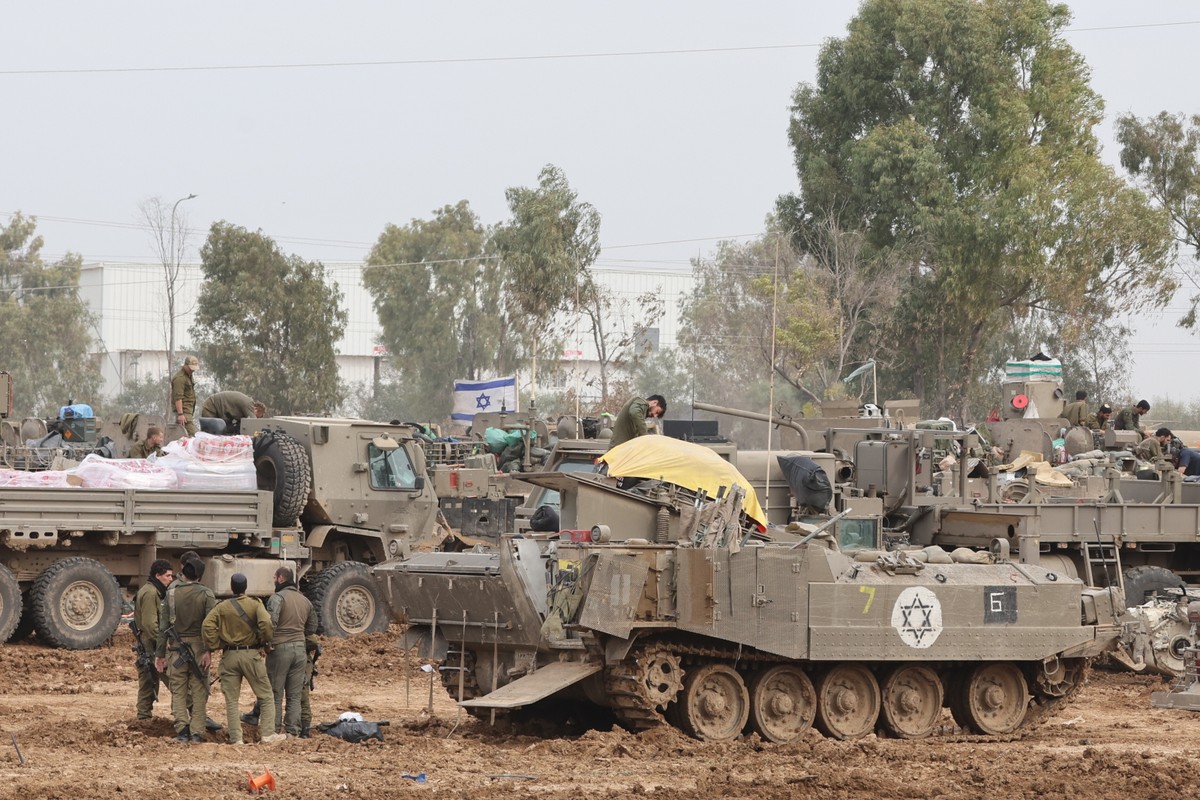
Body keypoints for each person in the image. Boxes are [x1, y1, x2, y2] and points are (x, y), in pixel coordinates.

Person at [201, 573, 284, 745]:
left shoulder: (222, 607)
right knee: (266, 695)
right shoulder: (255, 604)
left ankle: (236, 738)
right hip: (250, 654)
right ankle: (268, 734)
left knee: (231, 700)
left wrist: (216, 643)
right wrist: (264, 641)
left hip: (229, 656)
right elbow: (266, 624)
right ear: (246, 587)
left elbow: (207, 625)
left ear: (232, 587)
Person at [155, 556, 217, 743]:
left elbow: (163, 626)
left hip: (175, 648)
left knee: (179, 691)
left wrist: (159, 655)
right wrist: (208, 650)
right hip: (199, 647)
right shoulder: (207, 594)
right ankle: (197, 731)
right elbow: (210, 626)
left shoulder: (171, 592)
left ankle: (182, 729)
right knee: (199, 690)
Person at [265, 566, 318, 738]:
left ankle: (273, 729)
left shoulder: (277, 598)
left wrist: (266, 643)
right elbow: (312, 628)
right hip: (300, 650)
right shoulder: (305, 600)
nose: (273, 580)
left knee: (275, 692)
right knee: (295, 695)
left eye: (274, 577)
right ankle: (293, 732)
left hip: (280, 650)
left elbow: (270, 624)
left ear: (280, 578)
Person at [134, 559, 173, 720]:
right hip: (152, 644)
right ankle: (187, 714)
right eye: (168, 576)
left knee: (148, 680)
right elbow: (151, 625)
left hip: (148, 643)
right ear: (158, 575)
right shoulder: (150, 593)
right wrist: (164, 645)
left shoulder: (152, 590)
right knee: (173, 679)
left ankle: (143, 717)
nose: (171, 579)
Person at [199, 391, 266, 435]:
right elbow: (254, 423)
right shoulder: (249, 404)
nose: (256, 417)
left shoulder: (245, 406)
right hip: (211, 407)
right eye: (258, 416)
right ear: (256, 410)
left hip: (217, 411)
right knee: (211, 435)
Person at [171, 356, 200, 436]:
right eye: (190, 368)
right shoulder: (180, 379)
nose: (192, 370)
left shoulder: (189, 376)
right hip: (184, 414)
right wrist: (180, 414)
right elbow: (178, 398)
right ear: (185, 366)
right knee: (192, 436)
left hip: (188, 413)